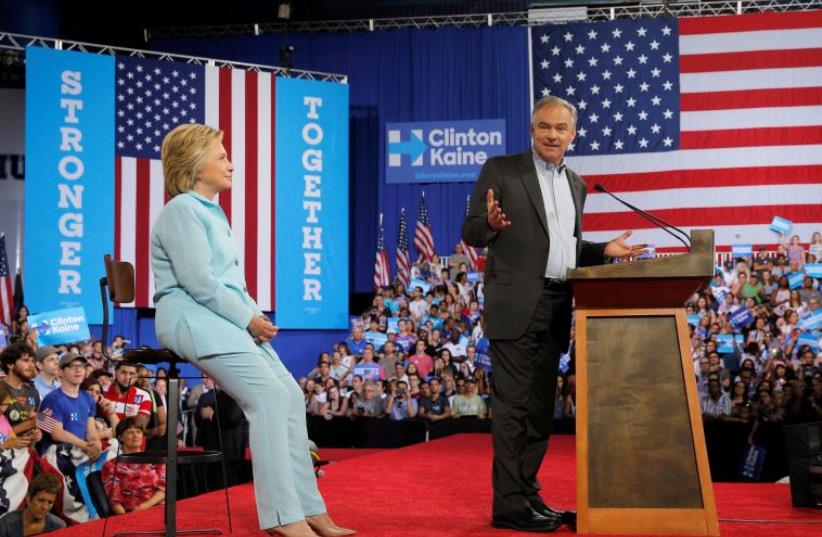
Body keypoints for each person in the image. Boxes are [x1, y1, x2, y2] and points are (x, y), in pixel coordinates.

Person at [150, 124, 352, 537]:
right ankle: (281, 515)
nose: (231, 164)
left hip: (219, 317)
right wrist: (248, 319)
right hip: (189, 318)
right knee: (268, 397)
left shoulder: (209, 210)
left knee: (291, 395)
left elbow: (227, 284)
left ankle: (309, 507)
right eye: (221, 156)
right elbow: (199, 282)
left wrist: (252, 317)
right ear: (193, 165)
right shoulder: (181, 209)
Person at [462, 96, 643, 533]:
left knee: (541, 409)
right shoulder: (502, 170)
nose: (552, 135)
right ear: (532, 128)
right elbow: (471, 230)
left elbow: (567, 248)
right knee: (513, 409)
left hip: (558, 305)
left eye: (561, 128)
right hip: (515, 306)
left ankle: (528, 495)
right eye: (544, 126)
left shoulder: (576, 184)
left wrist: (604, 251)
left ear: (573, 135)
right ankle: (508, 505)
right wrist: (490, 223)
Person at [38, 352, 103, 459]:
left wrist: (96, 443)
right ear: (61, 372)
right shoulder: (51, 399)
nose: (78, 370)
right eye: (73, 366)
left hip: (81, 451)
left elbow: (91, 430)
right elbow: (57, 434)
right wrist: (86, 446)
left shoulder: (87, 397)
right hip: (57, 454)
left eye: (81, 366)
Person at [102, 418, 166, 514]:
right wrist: (127, 519)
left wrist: (143, 507)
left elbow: (164, 489)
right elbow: (115, 501)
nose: (135, 436)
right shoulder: (110, 465)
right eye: (130, 432)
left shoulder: (156, 460)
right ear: (120, 437)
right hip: (130, 515)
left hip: (159, 510)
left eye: (138, 432)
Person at [0, 473, 66, 536]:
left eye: (50, 502)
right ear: (28, 498)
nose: (45, 507)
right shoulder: (6, 524)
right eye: (41, 500)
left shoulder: (59, 527)